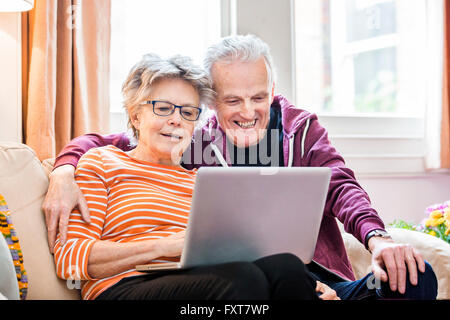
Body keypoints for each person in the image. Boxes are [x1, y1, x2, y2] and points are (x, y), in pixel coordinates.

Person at [46, 35, 437, 300]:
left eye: (259, 97)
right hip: (201, 281)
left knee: (417, 279)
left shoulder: (294, 132)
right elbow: (121, 143)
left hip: (307, 275)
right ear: (213, 105)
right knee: (250, 280)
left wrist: (376, 238)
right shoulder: (192, 147)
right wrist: (65, 167)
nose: (248, 112)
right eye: (233, 100)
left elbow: (341, 186)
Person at [52, 53, 338, 300]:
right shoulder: (102, 162)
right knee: (242, 279)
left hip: (201, 280)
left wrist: (311, 285)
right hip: (123, 286)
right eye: (163, 108)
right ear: (136, 116)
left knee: (288, 268)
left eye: (188, 112)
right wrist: (169, 245)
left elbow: (238, 250)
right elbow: (70, 259)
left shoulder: (203, 181)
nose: (176, 119)